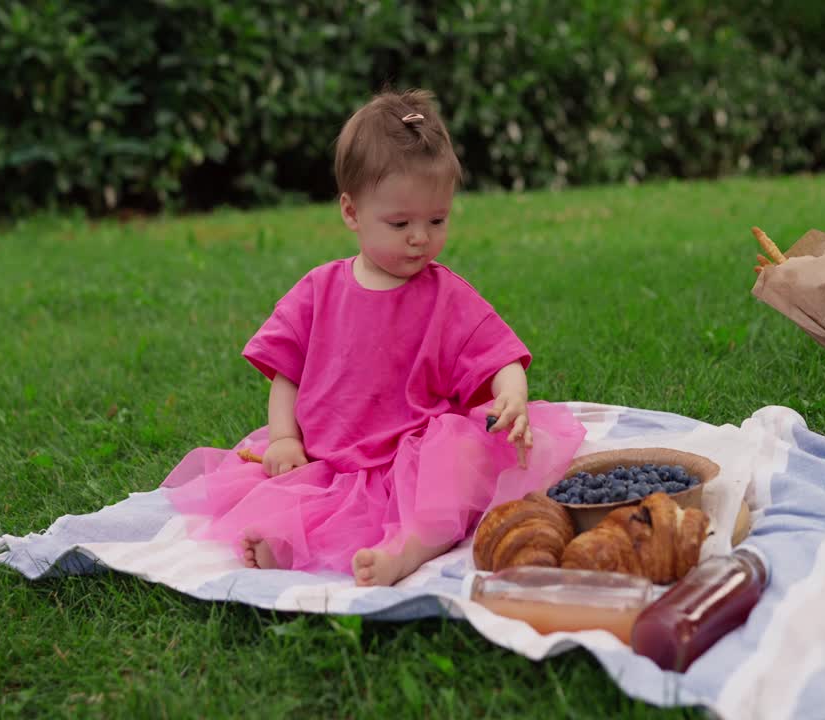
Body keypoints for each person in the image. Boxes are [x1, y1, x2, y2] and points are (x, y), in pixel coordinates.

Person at [164, 88, 585, 586]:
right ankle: (289, 542)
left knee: (461, 463)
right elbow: (286, 373)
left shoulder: (446, 296)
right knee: (300, 492)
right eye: (400, 222)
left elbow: (498, 356)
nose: (420, 237)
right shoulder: (319, 291)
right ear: (351, 212)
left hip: (418, 452)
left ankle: (406, 551)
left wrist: (511, 395)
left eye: (437, 220)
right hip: (331, 458)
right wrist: (284, 438)